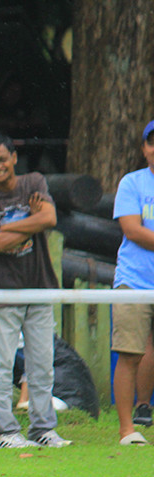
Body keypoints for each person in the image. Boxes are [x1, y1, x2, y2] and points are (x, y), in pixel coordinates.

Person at [0, 133, 70, 449]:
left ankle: (43, 429)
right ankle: (5, 433)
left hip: (39, 287)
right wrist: (32, 219)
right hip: (3, 292)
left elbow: (51, 218)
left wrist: (10, 226)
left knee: (42, 363)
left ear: (14, 157)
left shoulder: (34, 182)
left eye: (2, 159)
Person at [111, 120, 154, 445]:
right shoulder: (132, 183)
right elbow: (133, 230)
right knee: (130, 354)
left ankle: (143, 408)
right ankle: (128, 430)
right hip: (135, 281)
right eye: (151, 143)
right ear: (144, 149)